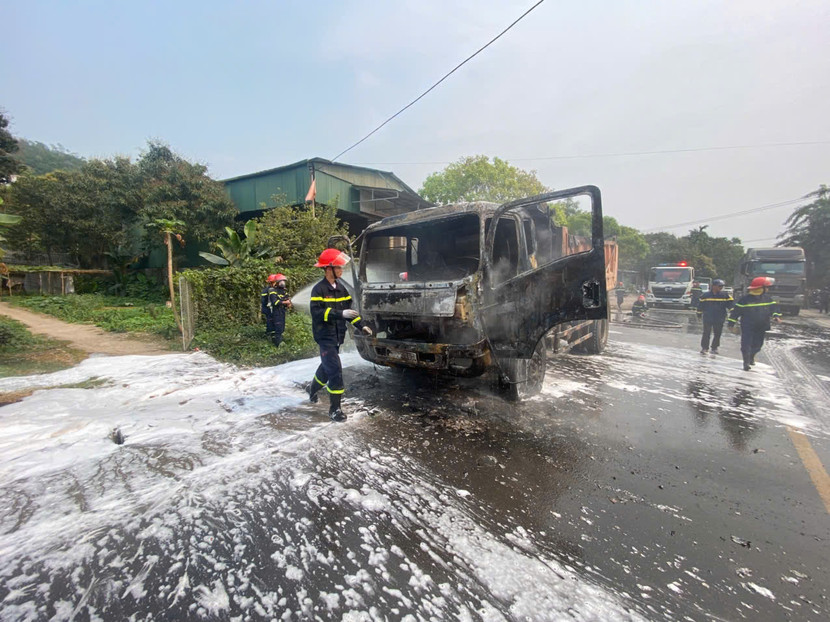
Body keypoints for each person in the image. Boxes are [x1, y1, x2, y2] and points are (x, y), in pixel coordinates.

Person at [306, 248, 373, 422]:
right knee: (335, 370)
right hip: (325, 336)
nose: (341, 270)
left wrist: (361, 325)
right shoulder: (318, 290)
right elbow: (317, 313)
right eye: (338, 267)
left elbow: (350, 312)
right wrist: (339, 314)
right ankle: (334, 409)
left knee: (326, 368)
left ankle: (312, 389)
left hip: (337, 337)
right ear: (328, 269)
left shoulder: (342, 289)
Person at [728, 276, 781, 371]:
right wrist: (731, 324)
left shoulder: (768, 299)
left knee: (758, 345)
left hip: (761, 326)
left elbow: (774, 309)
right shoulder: (744, 300)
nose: (768, 289)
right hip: (747, 326)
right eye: (766, 287)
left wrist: (776, 316)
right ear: (761, 288)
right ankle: (746, 361)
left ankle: (751, 356)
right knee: (746, 344)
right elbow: (735, 312)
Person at [696, 278, 733, 355]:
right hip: (708, 317)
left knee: (717, 333)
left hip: (720, 317)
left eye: (722, 286)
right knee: (706, 333)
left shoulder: (725, 296)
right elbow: (700, 306)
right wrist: (699, 314)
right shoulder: (705, 295)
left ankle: (714, 347)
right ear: (713, 286)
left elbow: (731, 306)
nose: (721, 288)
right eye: (719, 286)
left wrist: (734, 314)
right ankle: (705, 348)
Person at [269, 273, 292, 347]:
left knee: (282, 327)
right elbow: (275, 302)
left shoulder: (284, 291)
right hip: (276, 312)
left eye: (283, 281)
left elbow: (287, 299)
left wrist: (289, 303)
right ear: (277, 282)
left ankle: (280, 341)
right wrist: (285, 302)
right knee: (278, 327)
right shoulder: (273, 291)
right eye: (281, 281)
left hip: (282, 311)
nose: (283, 283)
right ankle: (278, 344)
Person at [260, 274, 280, 339]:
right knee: (270, 322)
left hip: (272, 309)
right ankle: (270, 335)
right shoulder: (268, 290)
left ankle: (273, 334)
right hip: (268, 309)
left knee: (274, 322)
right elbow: (265, 301)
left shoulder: (273, 290)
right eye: (275, 282)